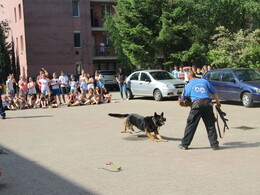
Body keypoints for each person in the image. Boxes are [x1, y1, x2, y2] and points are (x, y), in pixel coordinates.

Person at [178, 71, 221, 151]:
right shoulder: (204, 81)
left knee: (191, 125)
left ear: (189, 77)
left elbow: (182, 99)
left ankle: (184, 144)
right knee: (210, 125)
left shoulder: (188, 85)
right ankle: (214, 145)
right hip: (208, 104)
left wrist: (181, 103)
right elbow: (214, 92)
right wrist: (218, 102)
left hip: (196, 105)